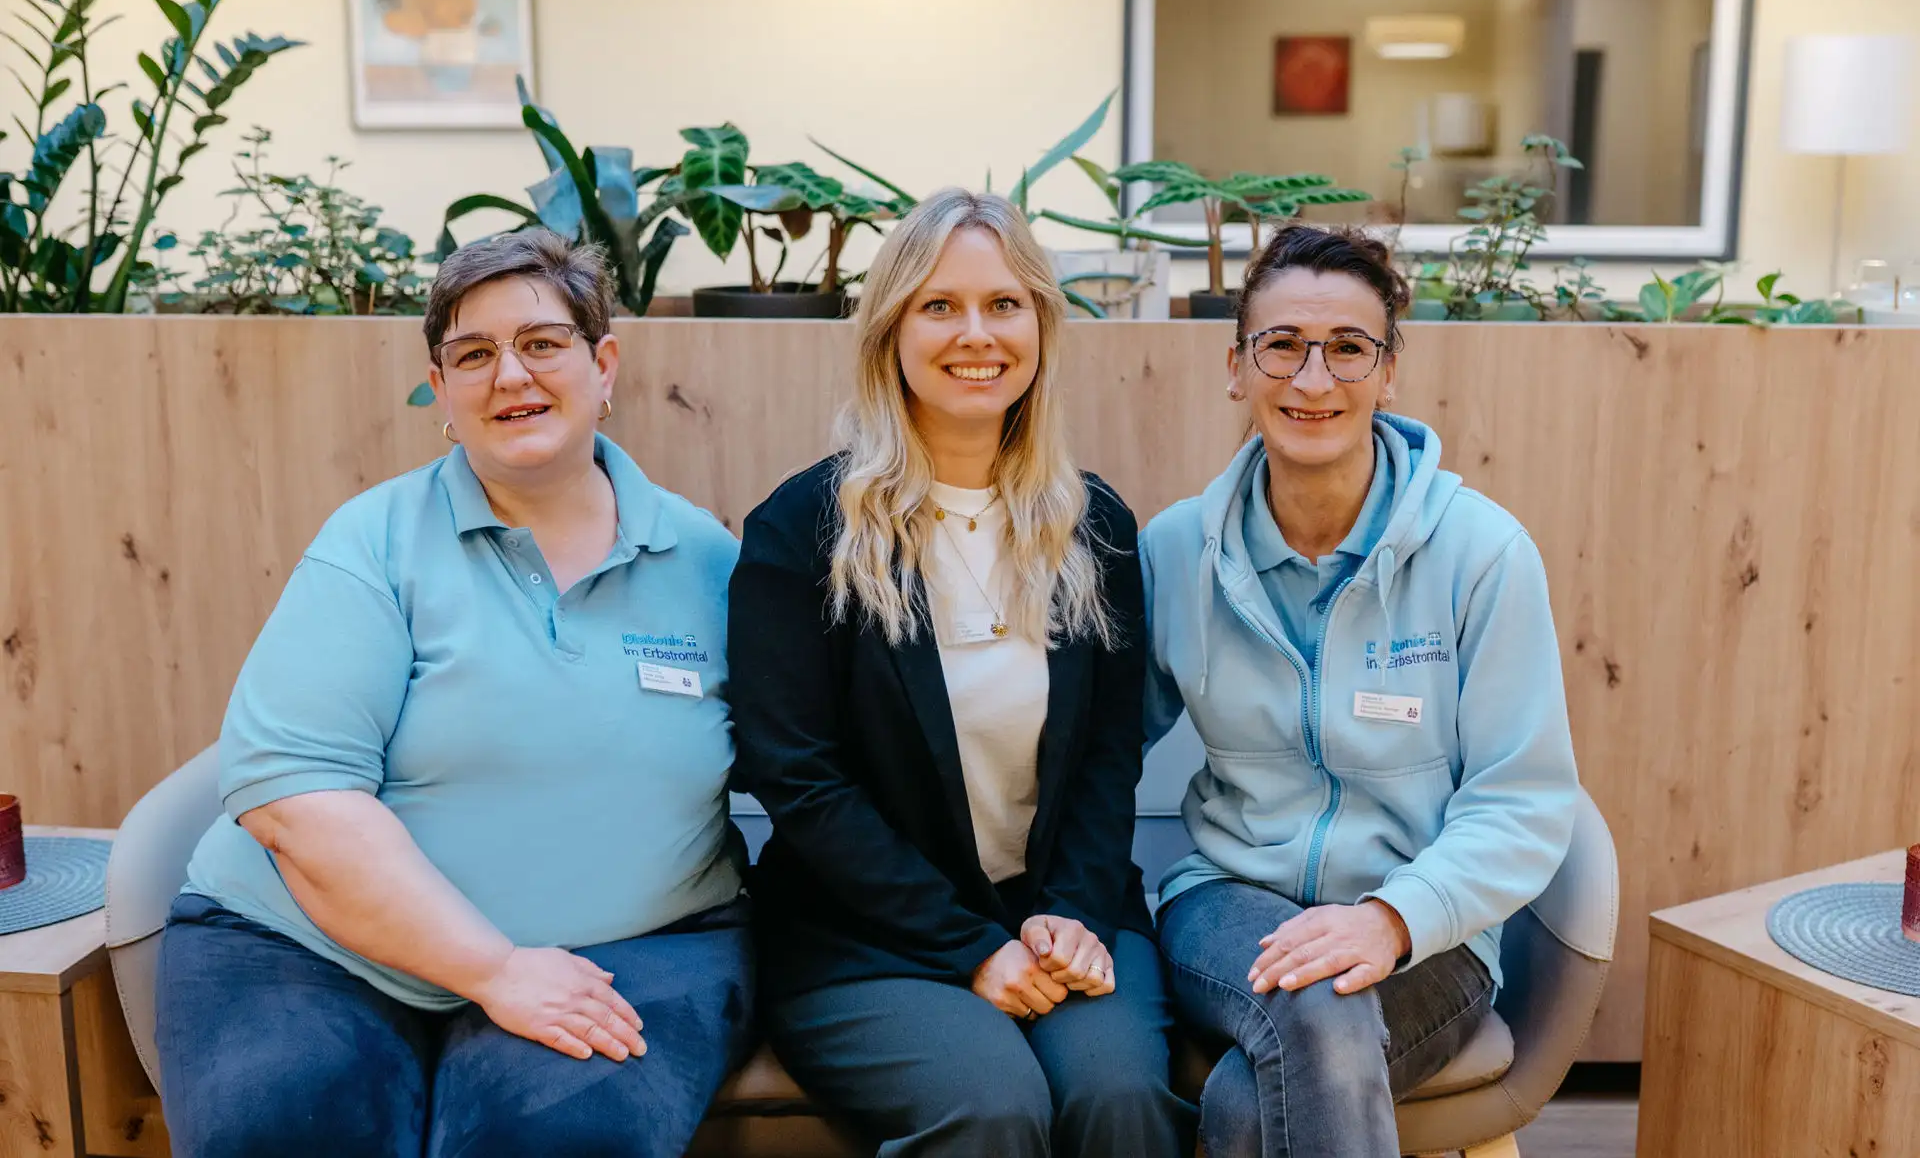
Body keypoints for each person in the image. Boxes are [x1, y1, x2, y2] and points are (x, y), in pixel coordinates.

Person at [156, 229, 753, 1158]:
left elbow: (812, 766)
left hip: (634, 946)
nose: (510, 375)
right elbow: (295, 800)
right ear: (441, 390)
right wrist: (493, 967)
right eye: (473, 355)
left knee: (560, 1144)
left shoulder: (710, 563)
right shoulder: (373, 541)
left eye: (542, 343)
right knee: (285, 1135)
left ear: (604, 365)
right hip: (307, 950)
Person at [728, 188, 1193, 1157]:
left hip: (1060, 908)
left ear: (1040, 326)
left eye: (1003, 304)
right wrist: (971, 945)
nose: (975, 333)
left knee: (1120, 1098)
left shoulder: (1094, 527)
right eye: (939, 306)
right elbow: (800, 784)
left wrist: (1068, 913)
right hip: (862, 935)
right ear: (890, 330)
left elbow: (1111, 758)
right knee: (992, 1104)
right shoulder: (802, 532)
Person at [1142, 224, 1580, 1158]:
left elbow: (1525, 798)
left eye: (1348, 348)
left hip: (1429, 924)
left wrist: (1391, 916)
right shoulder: (1175, 549)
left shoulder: (1482, 553)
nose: (1313, 379)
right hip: (1227, 898)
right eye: (1282, 345)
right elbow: (1097, 750)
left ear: (1389, 372)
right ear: (1236, 366)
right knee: (1311, 1001)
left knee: (1254, 1099)